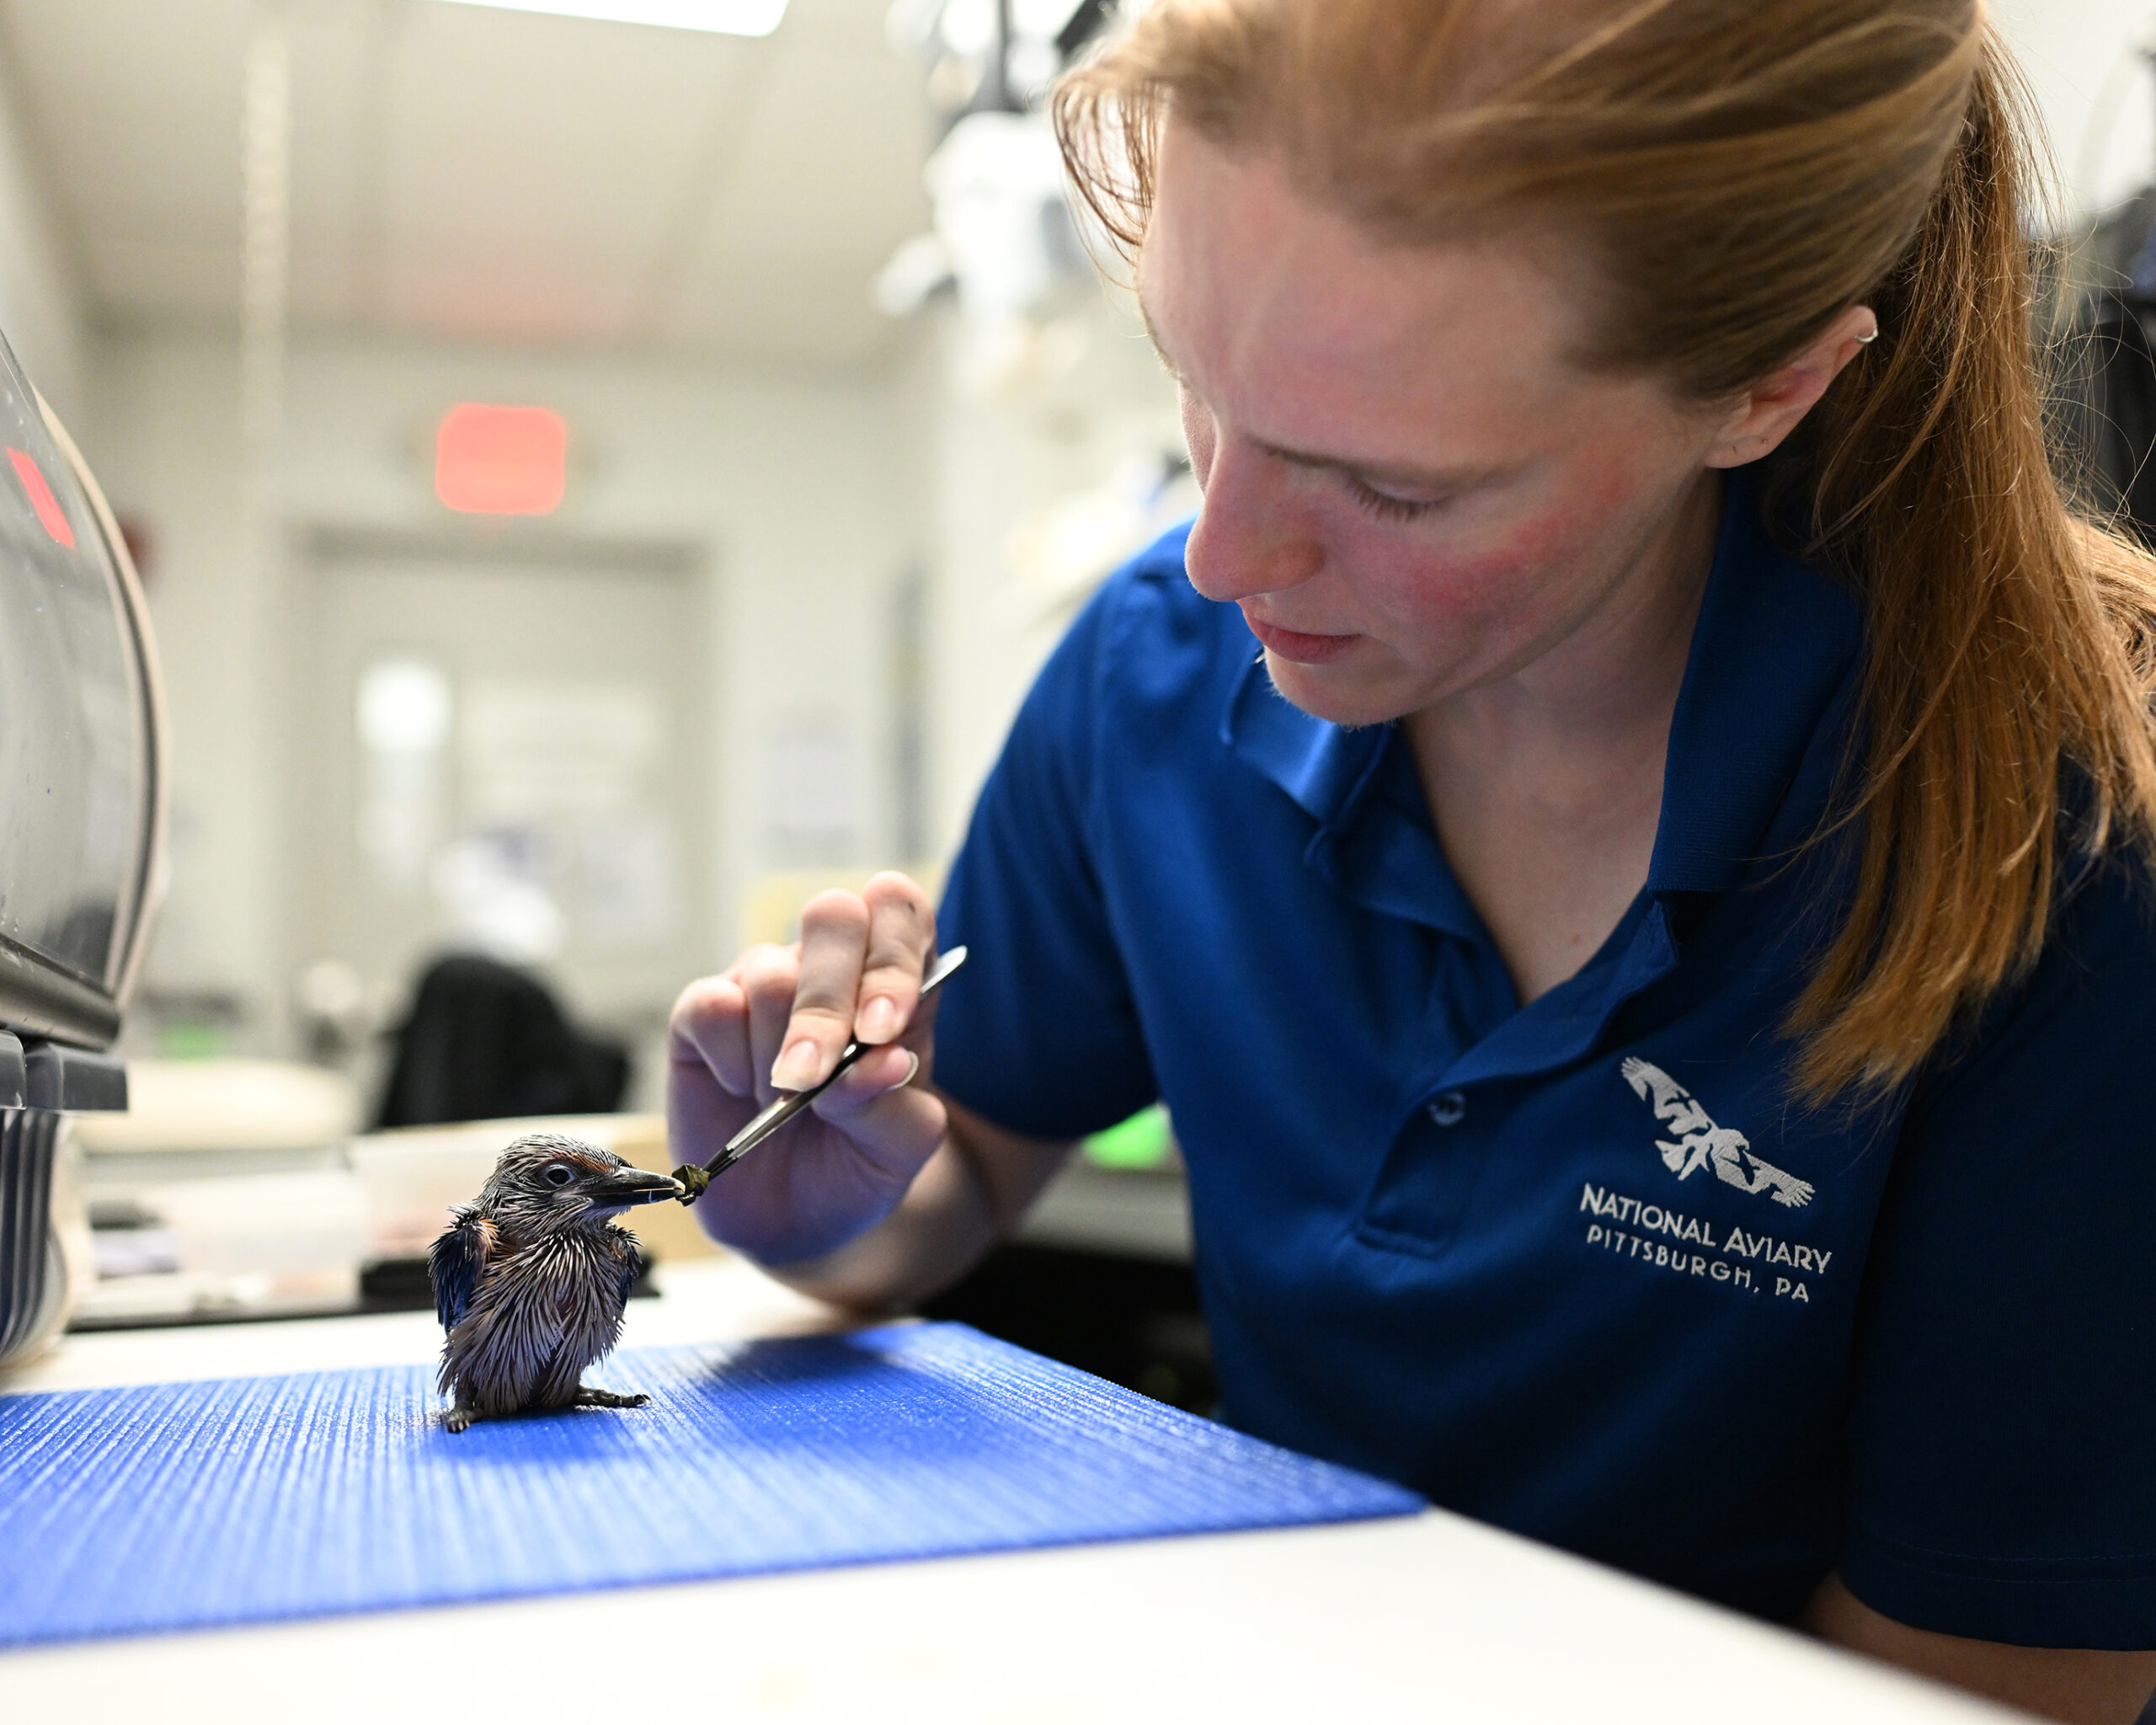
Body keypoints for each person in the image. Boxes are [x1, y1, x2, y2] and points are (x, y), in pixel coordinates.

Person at [665, 3, 2156, 1718]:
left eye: (1388, 484)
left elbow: (1990, 1677)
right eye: (1191, 383)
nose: (1222, 553)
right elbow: (959, 1172)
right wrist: (829, 1213)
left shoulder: (2059, 841)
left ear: (1764, 386)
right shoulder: (1155, 674)